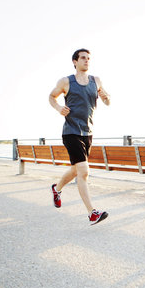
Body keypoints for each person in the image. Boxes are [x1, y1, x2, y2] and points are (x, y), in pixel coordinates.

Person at [48, 48, 111, 225]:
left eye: (88, 58)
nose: (86, 61)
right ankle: (92, 213)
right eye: (83, 58)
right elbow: (52, 97)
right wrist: (59, 108)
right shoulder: (66, 81)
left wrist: (106, 97)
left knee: (76, 169)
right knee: (83, 171)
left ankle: (56, 189)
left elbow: (107, 101)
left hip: (87, 133)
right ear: (75, 61)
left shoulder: (96, 81)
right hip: (71, 132)